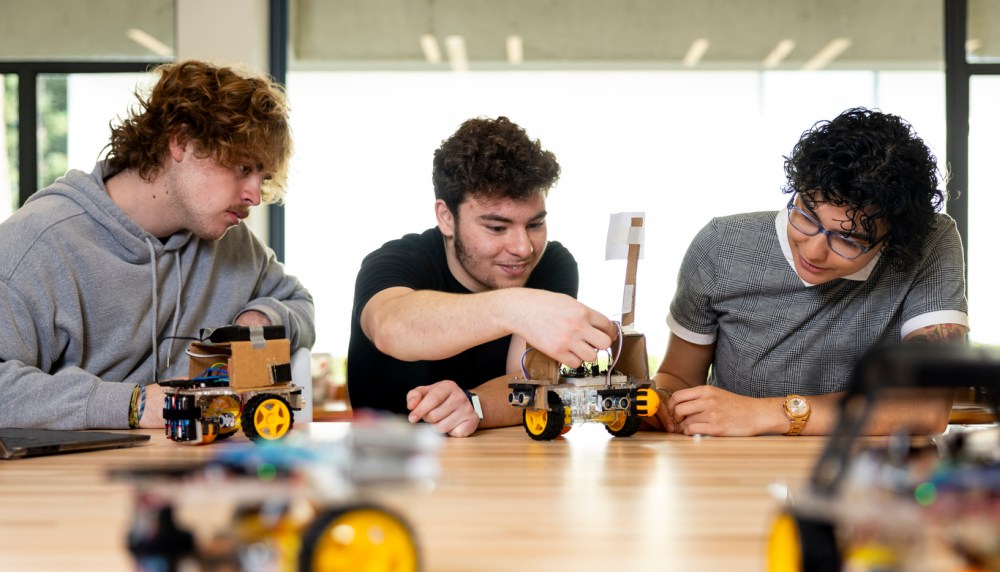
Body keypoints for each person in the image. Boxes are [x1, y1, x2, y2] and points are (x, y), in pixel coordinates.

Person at [0, 60, 315, 430]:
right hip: (73, 482)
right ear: (181, 141)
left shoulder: (233, 243)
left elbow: (300, 305)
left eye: (262, 177)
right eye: (243, 168)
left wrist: (260, 320)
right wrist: (134, 404)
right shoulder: (37, 243)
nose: (254, 196)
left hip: (195, 475)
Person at [652, 107, 967, 437]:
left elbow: (927, 408)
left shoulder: (930, 242)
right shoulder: (721, 244)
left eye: (848, 238)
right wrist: (662, 406)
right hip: (734, 470)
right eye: (807, 216)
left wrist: (766, 413)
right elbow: (677, 381)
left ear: (895, 240)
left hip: (864, 474)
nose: (813, 251)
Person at [347, 116, 615, 437]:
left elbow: (529, 378)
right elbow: (391, 327)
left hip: (497, 463)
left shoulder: (553, 263)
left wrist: (474, 404)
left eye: (534, 224)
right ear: (447, 218)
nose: (523, 248)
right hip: (388, 464)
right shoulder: (395, 260)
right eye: (496, 228)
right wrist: (518, 308)